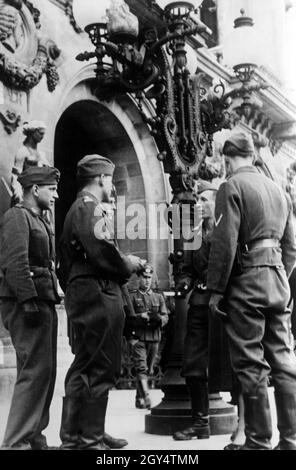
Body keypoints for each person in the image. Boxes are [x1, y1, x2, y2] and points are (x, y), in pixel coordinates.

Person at [208, 131, 296, 450]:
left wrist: (216, 290)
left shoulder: (231, 186)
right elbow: (292, 248)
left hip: (247, 282)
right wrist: (278, 273)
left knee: (251, 363)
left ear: (228, 159)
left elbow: (224, 243)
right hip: (278, 280)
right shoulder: (279, 191)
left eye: (226, 162)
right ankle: (291, 439)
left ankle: (258, 440)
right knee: (284, 362)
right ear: (254, 156)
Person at [58, 154, 144, 450]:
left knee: (86, 363)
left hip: (86, 289)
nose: (112, 184)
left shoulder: (80, 208)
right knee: (101, 365)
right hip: (96, 291)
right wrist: (129, 262)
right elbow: (104, 252)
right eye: (110, 178)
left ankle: (78, 436)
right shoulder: (89, 208)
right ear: (101, 179)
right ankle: (89, 439)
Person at [0, 166, 60, 450]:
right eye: (52, 189)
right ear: (35, 189)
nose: (56, 195)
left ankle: (34, 436)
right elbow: (15, 263)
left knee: (44, 372)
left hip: (43, 301)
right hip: (27, 303)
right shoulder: (16, 217)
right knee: (34, 371)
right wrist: (27, 301)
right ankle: (16, 442)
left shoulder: (40, 220)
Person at [172, 181, 233, 441]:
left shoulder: (226, 229)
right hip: (198, 303)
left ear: (217, 203)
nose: (199, 205)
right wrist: (184, 282)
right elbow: (185, 269)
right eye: (198, 201)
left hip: (222, 306)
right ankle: (200, 423)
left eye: (205, 200)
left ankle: (243, 425)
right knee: (193, 365)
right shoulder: (193, 234)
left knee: (231, 365)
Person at [127, 263, 168, 409]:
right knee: (141, 368)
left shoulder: (158, 296)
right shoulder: (132, 296)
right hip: (138, 337)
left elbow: (165, 316)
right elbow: (129, 317)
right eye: (144, 277)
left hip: (154, 338)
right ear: (139, 278)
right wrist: (140, 316)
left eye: (149, 277)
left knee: (149, 370)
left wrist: (159, 319)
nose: (147, 280)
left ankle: (139, 398)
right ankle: (147, 396)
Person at [11, 120, 49, 204]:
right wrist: (19, 196)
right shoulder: (22, 152)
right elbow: (15, 177)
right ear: (33, 132)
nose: (42, 137)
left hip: (38, 195)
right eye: (41, 133)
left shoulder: (41, 154)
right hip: (25, 195)